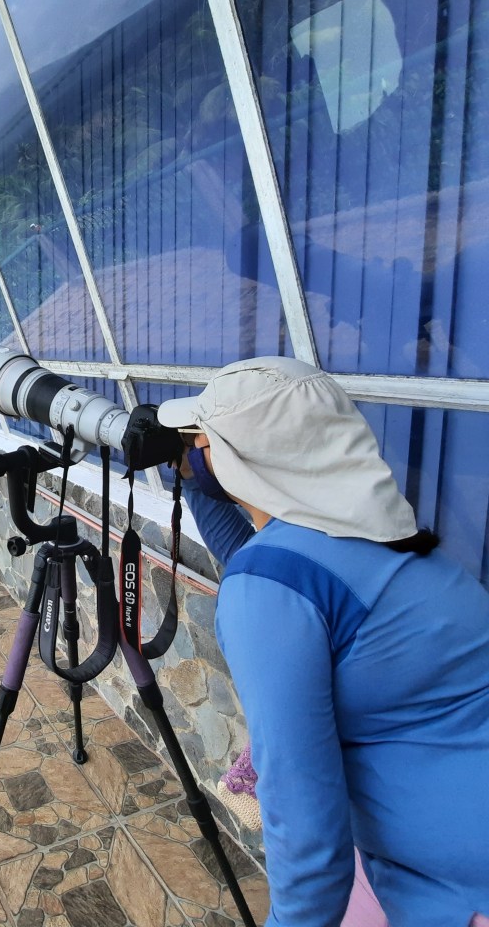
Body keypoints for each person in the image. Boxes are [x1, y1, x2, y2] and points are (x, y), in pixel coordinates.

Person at [155, 356, 489, 927]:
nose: (194, 452)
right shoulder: (384, 531)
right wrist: (196, 485)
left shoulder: (272, 585)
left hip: (455, 893)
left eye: (200, 441)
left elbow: (303, 819)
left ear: (238, 457)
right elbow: (263, 562)